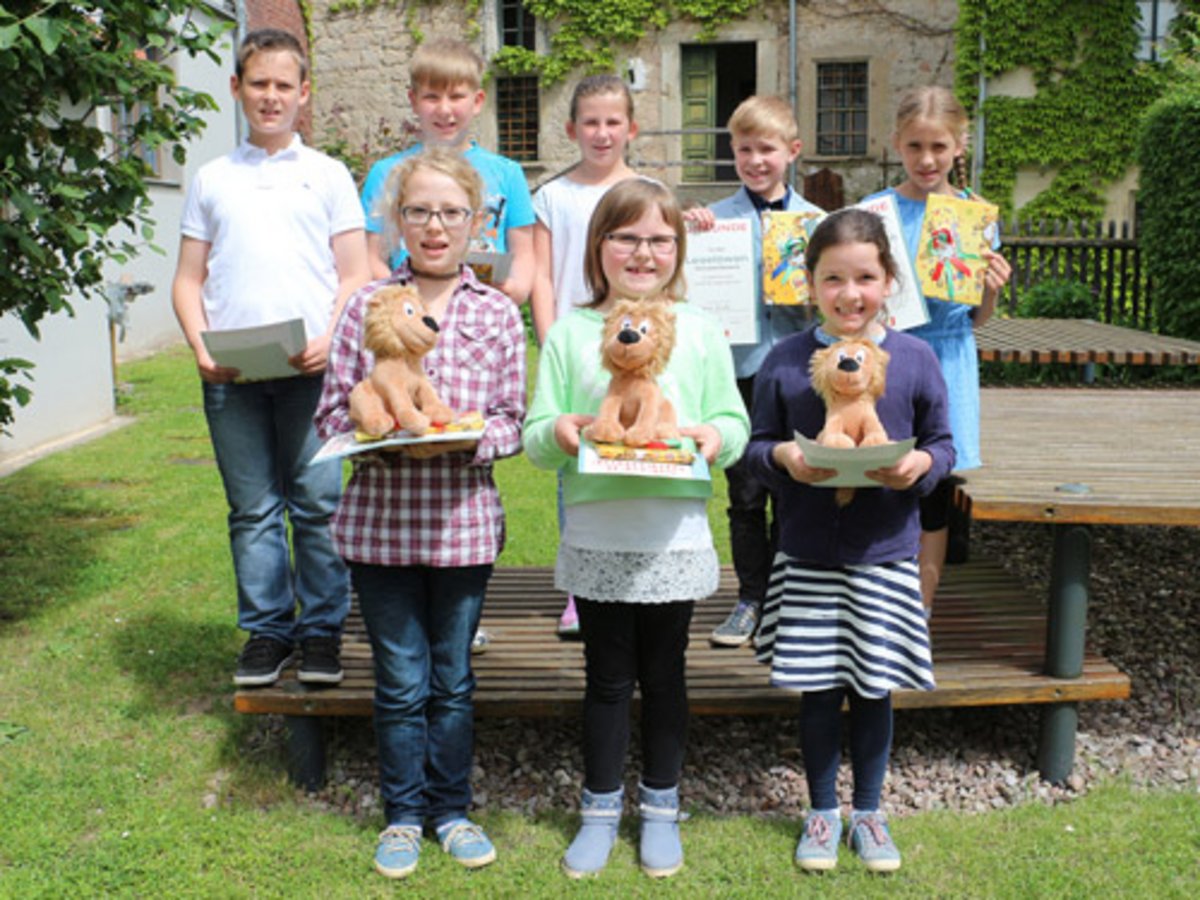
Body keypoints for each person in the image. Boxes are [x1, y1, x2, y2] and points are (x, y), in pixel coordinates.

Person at [523, 178, 749, 880]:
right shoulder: (569, 330)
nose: (643, 252)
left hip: (672, 535)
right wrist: (560, 431)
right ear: (599, 248)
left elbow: (735, 422)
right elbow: (537, 431)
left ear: (678, 249)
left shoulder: (702, 329)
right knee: (606, 678)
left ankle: (660, 808)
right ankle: (598, 809)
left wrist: (713, 437)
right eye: (626, 237)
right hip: (598, 531)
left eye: (659, 239)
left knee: (667, 674)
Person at [314, 147, 526, 879]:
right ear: (396, 221)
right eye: (418, 211)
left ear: (478, 223)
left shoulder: (496, 313)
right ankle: (404, 815)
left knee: (453, 678)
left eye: (450, 213)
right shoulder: (367, 308)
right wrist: (382, 439)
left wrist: (458, 443)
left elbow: (509, 422)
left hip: (462, 530)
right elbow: (328, 419)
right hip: (379, 528)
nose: (435, 227)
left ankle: (453, 809)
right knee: (400, 678)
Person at [745, 208, 955, 873]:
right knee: (816, 688)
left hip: (885, 555)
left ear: (889, 280)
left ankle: (868, 810)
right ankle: (820, 811)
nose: (850, 293)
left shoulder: (916, 358)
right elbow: (751, 450)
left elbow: (945, 444)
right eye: (833, 279)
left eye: (864, 277)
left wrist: (921, 465)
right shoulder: (784, 360)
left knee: (873, 687)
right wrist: (782, 456)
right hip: (807, 554)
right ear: (810, 284)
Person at [171, 28, 370, 687]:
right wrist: (199, 344)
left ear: (304, 93)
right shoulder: (212, 178)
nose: (271, 95)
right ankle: (266, 631)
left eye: (285, 84)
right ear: (237, 88)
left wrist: (332, 337)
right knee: (252, 508)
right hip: (231, 373)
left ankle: (320, 632)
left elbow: (354, 275)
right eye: (259, 83)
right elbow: (189, 279)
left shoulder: (328, 175)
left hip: (310, 371)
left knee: (316, 504)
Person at [683, 95, 826, 648]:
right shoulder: (715, 222)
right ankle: (749, 598)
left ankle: (793, 600)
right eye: (744, 149)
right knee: (745, 494)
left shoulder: (816, 224)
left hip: (798, 373)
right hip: (737, 374)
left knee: (798, 489)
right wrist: (692, 237)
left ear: (791, 151)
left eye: (766, 149)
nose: (755, 160)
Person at [863, 85, 1011, 612]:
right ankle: (875, 598)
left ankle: (921, 609)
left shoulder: (975, 217)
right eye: (915, 147)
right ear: (897, 145)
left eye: (939, 148)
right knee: (880, 477)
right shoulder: (874, 212)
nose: (927, 160)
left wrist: (991, 289)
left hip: (948, 359)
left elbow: (975, 319)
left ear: (959, 147)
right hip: (890, 359)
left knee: (932, 489)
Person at [529, 73, 639, 638]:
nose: (601, 133)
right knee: (576, 462)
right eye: (591, 122)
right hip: (575, 347)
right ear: (572, 128)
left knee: (637, 451)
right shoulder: (552, 195)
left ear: (631, 128)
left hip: (636, 350)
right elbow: (542, 277)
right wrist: (551, 342)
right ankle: (578, 585)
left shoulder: (646, 190)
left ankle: (633, 572)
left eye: (612, 122)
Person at [359, 37, 535, 304]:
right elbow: (370, 255)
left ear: (477, 101)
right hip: (410, 313)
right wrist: (396, 297)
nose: (444, 109)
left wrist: (516, 288)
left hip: (482, 311)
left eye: (456, 97)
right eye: (431, 97)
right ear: (414, 100)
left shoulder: (508, 173)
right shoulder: (387, 173)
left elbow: (523, 253)